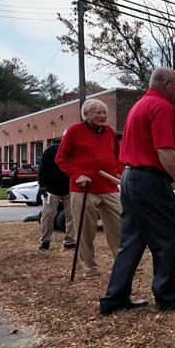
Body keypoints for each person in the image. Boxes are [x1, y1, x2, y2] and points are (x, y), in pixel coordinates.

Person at [99, 67, 175, 315]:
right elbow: (164, 150)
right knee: (171, 235)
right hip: (149, 179)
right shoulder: (161, 107)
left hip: (130, 178)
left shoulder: (140, 105)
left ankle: (115, 297)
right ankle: (168, 296)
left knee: (133, 240)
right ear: (166, 83)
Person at [56, 99, 123, 278]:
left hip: (109, 187)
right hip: (84, 189)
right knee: (85, 231)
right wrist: (77, 175)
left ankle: (123, 263)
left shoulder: (109, 131)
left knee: (120, 225)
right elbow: (61, 158)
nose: (103, 116)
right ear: (86, 115)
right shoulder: (74, 131)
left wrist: (120, 171)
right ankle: (90, 269)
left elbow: (118, 155)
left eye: (104, 112)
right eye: (98, 112)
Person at [37, 137, 76, 252]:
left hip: (70, 189)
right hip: (51, 190)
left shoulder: (76, 153)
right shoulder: (51, 150)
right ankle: (45, 241)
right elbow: (42, 168)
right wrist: (42, 185)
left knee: (72, 215)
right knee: (48, 215)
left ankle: (69, 242)